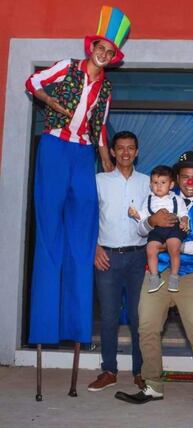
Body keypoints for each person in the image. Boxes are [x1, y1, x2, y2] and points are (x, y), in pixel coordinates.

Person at [26, 6, 130, 347]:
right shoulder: (67, 67)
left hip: (84, 153)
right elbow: (32, 82)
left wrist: (107, 163)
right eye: (101, 47)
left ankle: (76, 327)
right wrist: (49, 102)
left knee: (82, 236)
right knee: (49, 234)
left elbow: (100, 129)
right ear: (92, 47)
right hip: (55, 147)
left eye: (110, 52)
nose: (104, 54)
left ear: (113, 58)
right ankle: (44, 326)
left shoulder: (106, 88)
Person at [114, 151, 193, 405]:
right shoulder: (160, 197)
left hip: (192, 274)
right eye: (185, 176)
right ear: (177, 179)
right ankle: (152, 385)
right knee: (147, 327)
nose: (190, 182)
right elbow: (141, 231)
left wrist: (174, 246)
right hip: (157, 273)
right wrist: (151, 221)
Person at [87, 131, 150, 392]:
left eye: (130, 148)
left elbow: (154, 218)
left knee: (139, 317)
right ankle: (109, 370)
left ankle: (141, 371)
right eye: (120, 148)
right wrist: (94, 248)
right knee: (109, 316)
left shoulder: (147, 182)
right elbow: (87, 218)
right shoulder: (99, 181)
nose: (125, 152)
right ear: (112, 152)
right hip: (107, 258)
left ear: (137, 152)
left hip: (139, 258)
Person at [129, 165, 189, 293]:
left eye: (163, 182)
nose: (159, 186)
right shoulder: (148, 200)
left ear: (171, 185)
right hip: (156, 230)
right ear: (151, 185)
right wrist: (136, 214)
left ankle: (174, 277)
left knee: (174, 247)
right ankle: (154, 277)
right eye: (155, 183)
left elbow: (184, 213)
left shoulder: (177, 199)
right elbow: (144, 216)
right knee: (150, 249)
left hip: (173, 228)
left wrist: (184, 222)